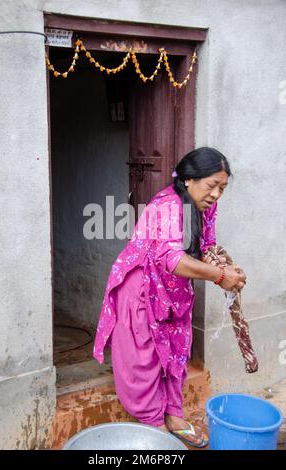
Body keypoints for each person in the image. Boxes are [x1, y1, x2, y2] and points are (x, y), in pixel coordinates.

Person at [93, 147, 246, 447]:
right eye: (211, 185)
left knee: (176, 347)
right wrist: (218, 276)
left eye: (222, 188)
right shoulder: (167, 206)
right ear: (189, 179)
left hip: (174, 290)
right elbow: (171, 259)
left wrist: (223, 266)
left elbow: (205, 245)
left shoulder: (204, 207)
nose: (216, 194)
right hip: (142, 289)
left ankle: (173, 414)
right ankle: (153, 425)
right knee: (146, 357)